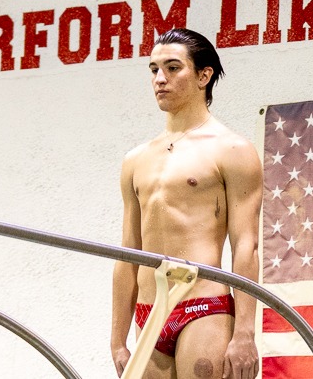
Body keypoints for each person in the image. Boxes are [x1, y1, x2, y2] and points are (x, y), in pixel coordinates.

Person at [111, 28, 262, 379]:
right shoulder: (135, 159)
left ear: (203, 75)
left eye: (173, 68)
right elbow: (127, 252)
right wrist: (117, 337)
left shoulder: (232, 150)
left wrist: (244, 332)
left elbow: (246, 245)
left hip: (203, 306)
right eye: (153, 70)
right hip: (149, 311)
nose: (160, 79)